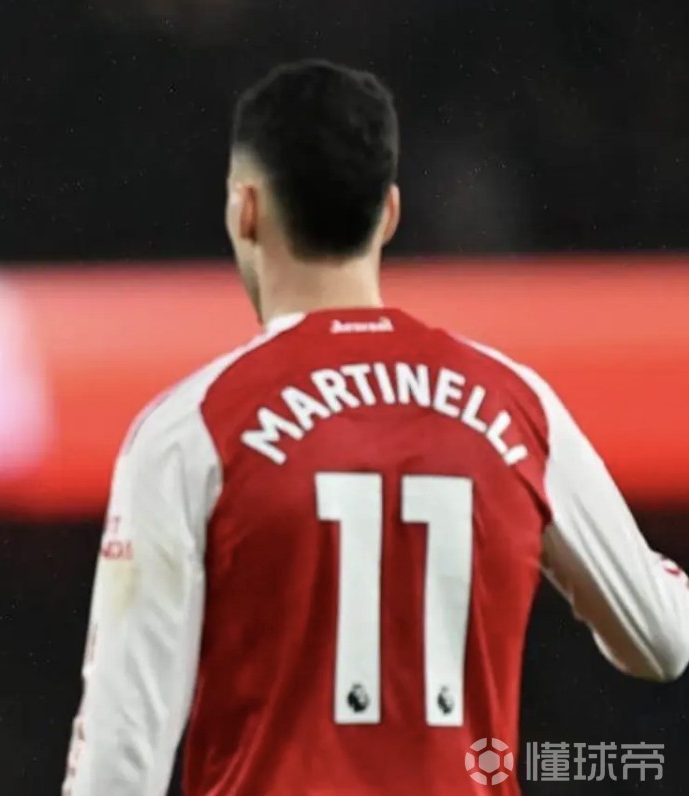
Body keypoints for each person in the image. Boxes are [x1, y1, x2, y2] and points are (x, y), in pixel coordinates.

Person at [61, 59, 689, 796]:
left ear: (245, 210)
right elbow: (663, 640)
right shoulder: (515, 407)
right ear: (389, 213)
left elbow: (119, 764)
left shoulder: (192, 429)